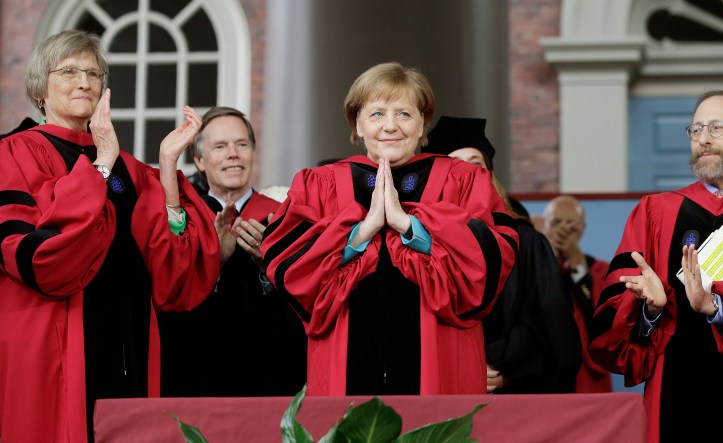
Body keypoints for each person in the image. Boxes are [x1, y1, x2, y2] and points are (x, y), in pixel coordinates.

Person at [0, 30, 220, 443]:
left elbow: (174, 273)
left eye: (93, 73)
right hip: (51, 344)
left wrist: (168, 167)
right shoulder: (15, 153)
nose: (84, 82)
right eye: (69, 71)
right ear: (39, 88)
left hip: (129, 345)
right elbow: (45, 257)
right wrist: (100, 163)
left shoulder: (132, 169)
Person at [261, 62, 517, 396]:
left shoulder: (463, 180)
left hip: (442, 365)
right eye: (377, 114)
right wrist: (363, 231)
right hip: (342, 366)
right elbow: (291, 268)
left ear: (423, 122)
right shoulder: (319, 185)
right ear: (358, 123)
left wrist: (408, 225)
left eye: (405, 114)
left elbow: (490, 259)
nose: (391, 126)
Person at [589, 90, 723, 442]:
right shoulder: (655, 212)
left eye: (717, 127)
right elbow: (615, 320)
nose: (703, 138)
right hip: (673, 383)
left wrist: (716, 308)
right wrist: (650, 310)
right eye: (696, 129)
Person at [422, 116, 581, 394]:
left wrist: (513, 374)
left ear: (490, 175)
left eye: (477, 164)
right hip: (439, 393)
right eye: (454, 165)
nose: (468, 173)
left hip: (510, 399)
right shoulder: (417, 243)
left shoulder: (528, 244)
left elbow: (555, 336)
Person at [158, 106, 306, 397]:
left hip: (270, 379)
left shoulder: (284, 218)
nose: (233, 154)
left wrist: (270, 269)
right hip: (198, 380)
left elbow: (305, 313)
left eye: (241, 145)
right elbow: (169, 309)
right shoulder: (184, 219)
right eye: (220, 146)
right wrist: (213, 263)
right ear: (200, 160)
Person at [542, 195, 612, 393]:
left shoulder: (601, 271)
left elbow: (603, 318)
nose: (563, 229)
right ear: (545, 226)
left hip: (586, 373)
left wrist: (577, 264)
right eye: (556, 223)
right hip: (546, 367)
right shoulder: (535, 269)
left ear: (582, 228)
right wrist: (550, 257)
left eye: (571, 224)